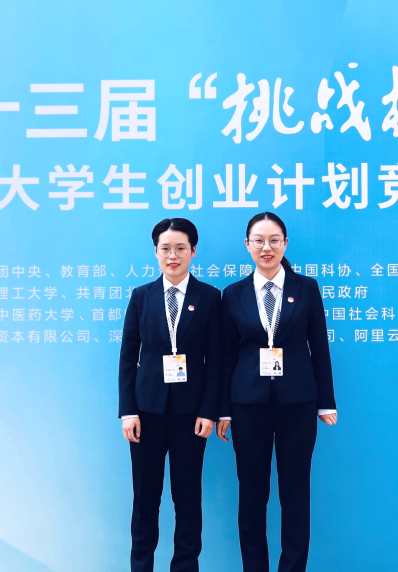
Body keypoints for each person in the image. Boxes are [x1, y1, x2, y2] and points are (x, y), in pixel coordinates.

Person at [216, 212, 338, 572]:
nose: (266, 247)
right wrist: (223, 409)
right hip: (247, 404)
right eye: (259, 240)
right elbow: (225, 356)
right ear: (247, 245)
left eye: (274, 240)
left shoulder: (307, 288)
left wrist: (326, 402)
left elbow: (319, 347)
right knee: (252, 493)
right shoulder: (233, 294)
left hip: (298, 403)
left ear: (285, 243)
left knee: (295, 492)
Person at [118, 218, 222, 572]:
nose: (172, 255)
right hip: (145, 413)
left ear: (193, 251)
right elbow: (128, 356)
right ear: (156, 252)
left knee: (188, 498)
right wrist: (128, 411)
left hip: (190, 416)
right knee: (145, 498)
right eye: (165, 248)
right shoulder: (141, 296)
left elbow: (216, 360)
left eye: (180, 248)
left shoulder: (210, 297)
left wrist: (209, 411)